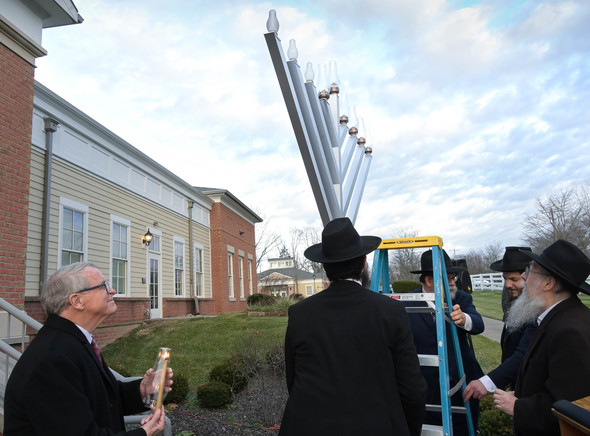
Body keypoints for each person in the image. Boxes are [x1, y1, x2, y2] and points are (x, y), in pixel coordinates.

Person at [279, 217, 427, 436]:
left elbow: (293, 380)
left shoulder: (300, 314)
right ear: (364, 262)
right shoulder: (390, 311)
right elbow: (413, 389)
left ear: (325, 267)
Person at [4, 262, 173, 436]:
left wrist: (142, 390)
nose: (113, 290)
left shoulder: (73, 342)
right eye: (104, 286)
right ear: (77, 301)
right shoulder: (53, 359)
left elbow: (101, 399)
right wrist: (144, 433)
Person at [493, 240, 590, 436]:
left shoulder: (569, 330)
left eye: (531, 271)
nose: (523, 276)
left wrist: (518, 406)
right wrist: (522, 394)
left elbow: (571, 407)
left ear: (548, 283)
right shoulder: (558, 317)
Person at [406, 249, 484, 436]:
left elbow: (478, 324)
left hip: (461, 382)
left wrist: (464, 318)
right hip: (426, 386)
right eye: (447, 278)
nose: (452, 283)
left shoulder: (461, 298)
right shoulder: (407, 303)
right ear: (429, 280)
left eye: (453, 278)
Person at [464, 246, 537, 401]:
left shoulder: (538, 309)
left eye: (514, 279)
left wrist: (489, 382)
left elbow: (524, 353)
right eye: (505, 279)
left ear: (529, 277)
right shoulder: (512, 297)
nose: (507, 285)